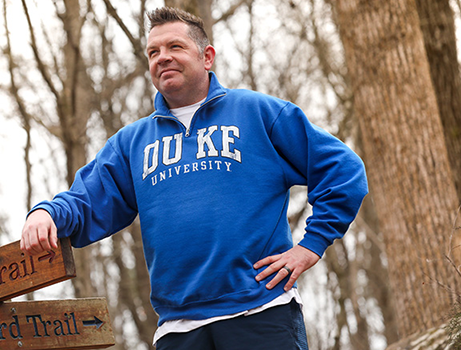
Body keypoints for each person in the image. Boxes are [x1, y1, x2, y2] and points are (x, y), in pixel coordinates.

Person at [21, 7, 368, 350]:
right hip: (178, 329)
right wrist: (46, 213)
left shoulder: (257, 113)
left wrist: (310, 247)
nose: (162, 58)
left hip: (260, 312)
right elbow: (87, 200)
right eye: (153, 52)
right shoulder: (132, 143)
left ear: (207, 57)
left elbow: (343, 169)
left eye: (175, 47)